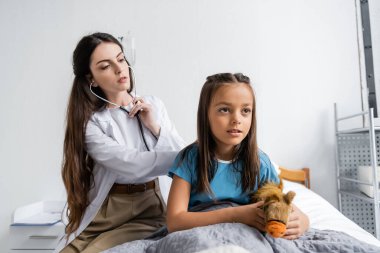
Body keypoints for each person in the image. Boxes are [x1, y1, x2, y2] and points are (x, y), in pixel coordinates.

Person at [56, 32, 185, 253]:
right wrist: (195, 154)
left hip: (149, 205)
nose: (119, 69)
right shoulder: (93, 123)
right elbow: (134, 164)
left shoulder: (154, 105)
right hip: (110, 208)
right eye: (106, 66)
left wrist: (154, 126)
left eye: (121, 59)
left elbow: (183, 156)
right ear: (91, 79)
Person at [166, 73, 309, 239]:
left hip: (248, 237)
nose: (236, 119)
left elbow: (281, 205)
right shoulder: (189, 159)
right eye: (225, 110)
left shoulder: (260, 163)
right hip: (201, 235)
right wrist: (237, 214)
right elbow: (174, 221)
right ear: (206, 114)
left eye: (245, 111)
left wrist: (304, 222)